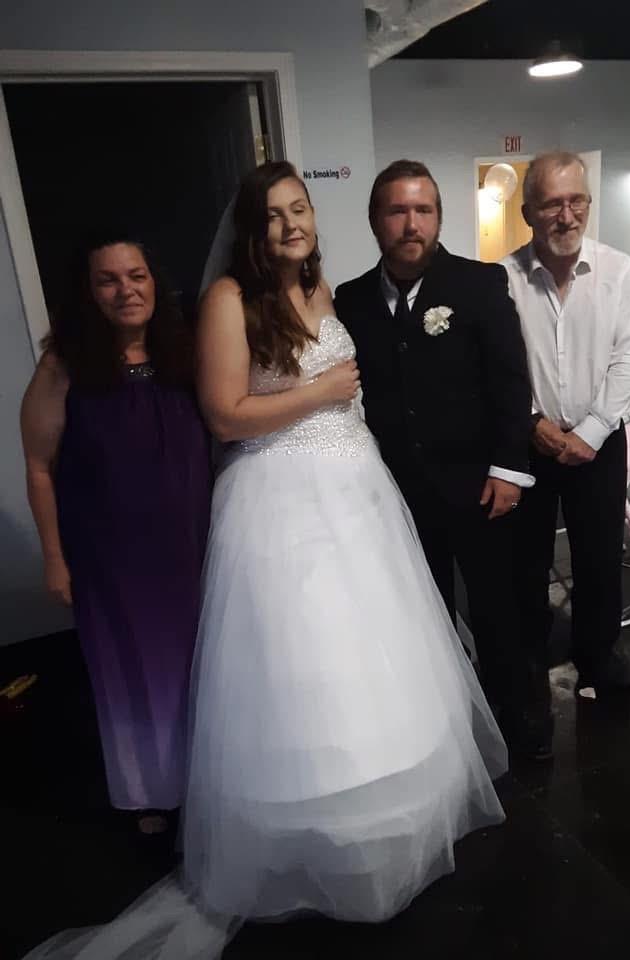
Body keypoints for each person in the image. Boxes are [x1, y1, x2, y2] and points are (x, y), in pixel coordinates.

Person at [22, 162, 507, 959]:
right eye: (274, 215)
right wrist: (316, 397)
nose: (291, 225)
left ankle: (385, 819)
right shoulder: (225, 300)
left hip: (358, 490)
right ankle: (303, 835)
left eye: (301, 209)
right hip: (282, 497)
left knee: (375, 657)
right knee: (301, 660)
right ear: (251, 230)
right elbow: (223, 413)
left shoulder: (327, 292)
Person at [334, 159, 545, 758]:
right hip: (397, 492)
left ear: (438, 218)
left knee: (495, 607)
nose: (410, 224)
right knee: (422, 612)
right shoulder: (350, 300)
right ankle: (444, 723)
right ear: (375, 221)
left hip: (478, 484)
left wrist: (508, 471)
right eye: (397, 211)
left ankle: (518, 717)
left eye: (422, 210)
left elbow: (510, 384)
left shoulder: (479, 285)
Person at [20, 235, 212, 835]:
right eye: (108, 280)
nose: (126, 289)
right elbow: (38, 467)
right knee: (130, 674)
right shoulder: (63, 367)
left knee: (196, 667)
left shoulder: (185, 355)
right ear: (88, 292)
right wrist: (54, 557)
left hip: (189, 546)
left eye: (137, 275)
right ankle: (149, 797)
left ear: (156, 282)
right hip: (110, 555)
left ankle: (205, 781)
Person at [501, 151, 630, 714]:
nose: (566, 215)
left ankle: (598, 656)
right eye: (551, 203)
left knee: (599, 558)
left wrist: (590, 430)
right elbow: (503, 366)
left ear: (588, 203)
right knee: (527, 559)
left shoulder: (619, 272)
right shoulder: (504, 279)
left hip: (600, 445)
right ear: (528, 211)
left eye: (576, 200)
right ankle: (530, 653)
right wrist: (534, 423)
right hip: (530, 443)